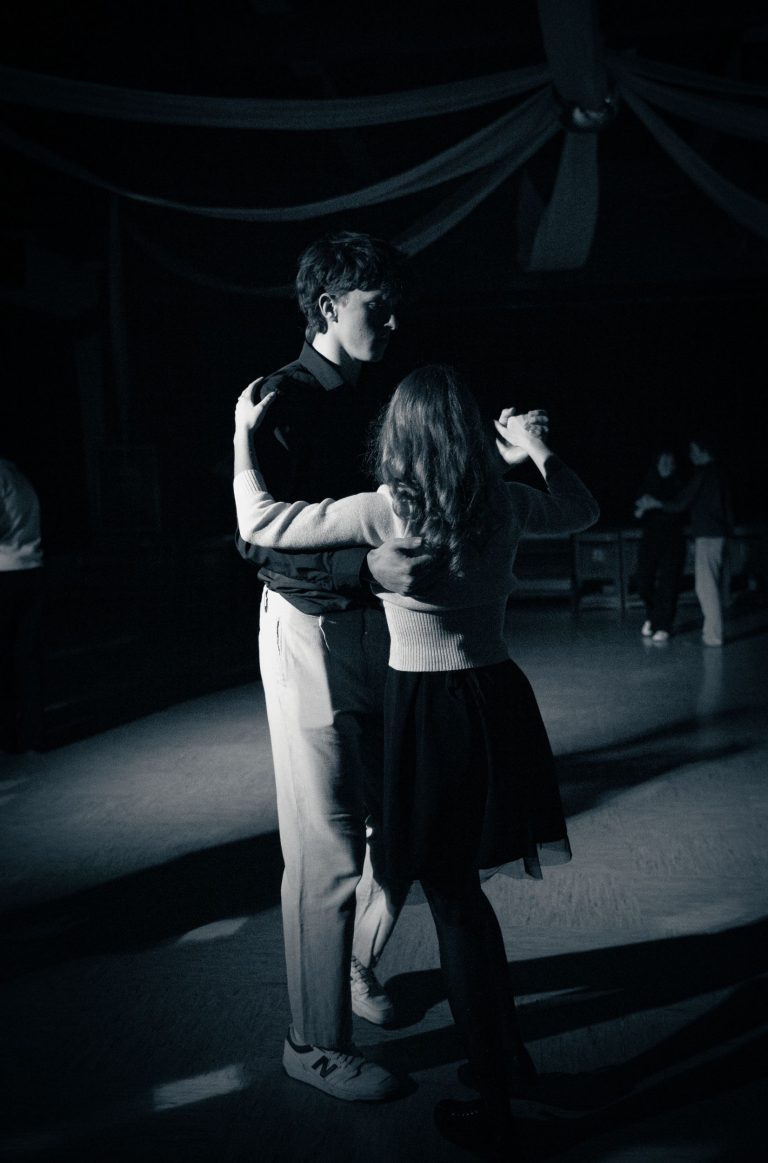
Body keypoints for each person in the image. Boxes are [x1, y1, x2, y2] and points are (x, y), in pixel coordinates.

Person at [233, 364, 600, 1155]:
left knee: (454, 905)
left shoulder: (386, 509)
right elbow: (582, 508)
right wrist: (536, 447)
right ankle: (508, 1059)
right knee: (468, 899)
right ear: (470, 433)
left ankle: (495, 1097)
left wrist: (239, 435)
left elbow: (260, 522)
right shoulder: (502, 502)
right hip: (498, 702)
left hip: (429, 715)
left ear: (397, 435)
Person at [235, 230, 440, 1103]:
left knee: (405, 823)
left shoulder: (381, 395)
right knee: (325, 847)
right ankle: (312, 1042)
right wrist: (364, 566)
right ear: (327, 307)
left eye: (393, 309)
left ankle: (352, 962)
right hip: (309, 628)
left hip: (380, 628)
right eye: (375, 308)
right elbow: (258, 543)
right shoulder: (276, 398)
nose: (391, 323)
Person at [637, 430, 733, 647]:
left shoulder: (705, 473)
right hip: (712, 534)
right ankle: (710, 633)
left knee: (706, 587)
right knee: (705, 586)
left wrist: (655, 503)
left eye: (693, 450)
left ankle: (712, 636)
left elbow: (682, 503)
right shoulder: (715, 472)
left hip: (707, 535)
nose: (690, 455)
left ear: (702, 451)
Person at [0, 456, 44, 754]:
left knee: (3, 659)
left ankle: (5, 737)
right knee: (27, 658)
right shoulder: (21, 478)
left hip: (4, 571)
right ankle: (32, 736)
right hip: (32, 568)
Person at [633, 447, 686, 643]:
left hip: (673, 540)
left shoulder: (680, 485)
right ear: (656, 464)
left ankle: (664, 625)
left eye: (670, 463)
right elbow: (636, 512)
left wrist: (656, 504)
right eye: (663, 462)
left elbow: (680, 509)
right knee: (643, 581)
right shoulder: (648, 483)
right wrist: (641, 510)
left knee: (668, 584)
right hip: (650, 539)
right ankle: (653, 616)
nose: (667, 466)